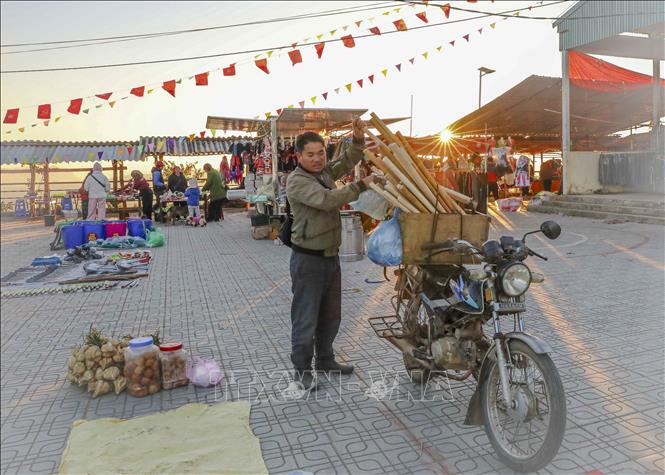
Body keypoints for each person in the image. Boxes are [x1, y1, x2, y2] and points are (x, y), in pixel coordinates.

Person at [286, 118, 380, 390]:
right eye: (311, 154)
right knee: (305, 318)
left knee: (330, 315)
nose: (317, 159)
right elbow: (327, 200)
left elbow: (347, 160)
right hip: (307, 260)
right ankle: (302, 369)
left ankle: (325, 359)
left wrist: (358, 139)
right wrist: (361, 186)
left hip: (330, 258)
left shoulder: (324, 172)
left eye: (321, 153)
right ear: (299, 156)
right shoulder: (298, 181)